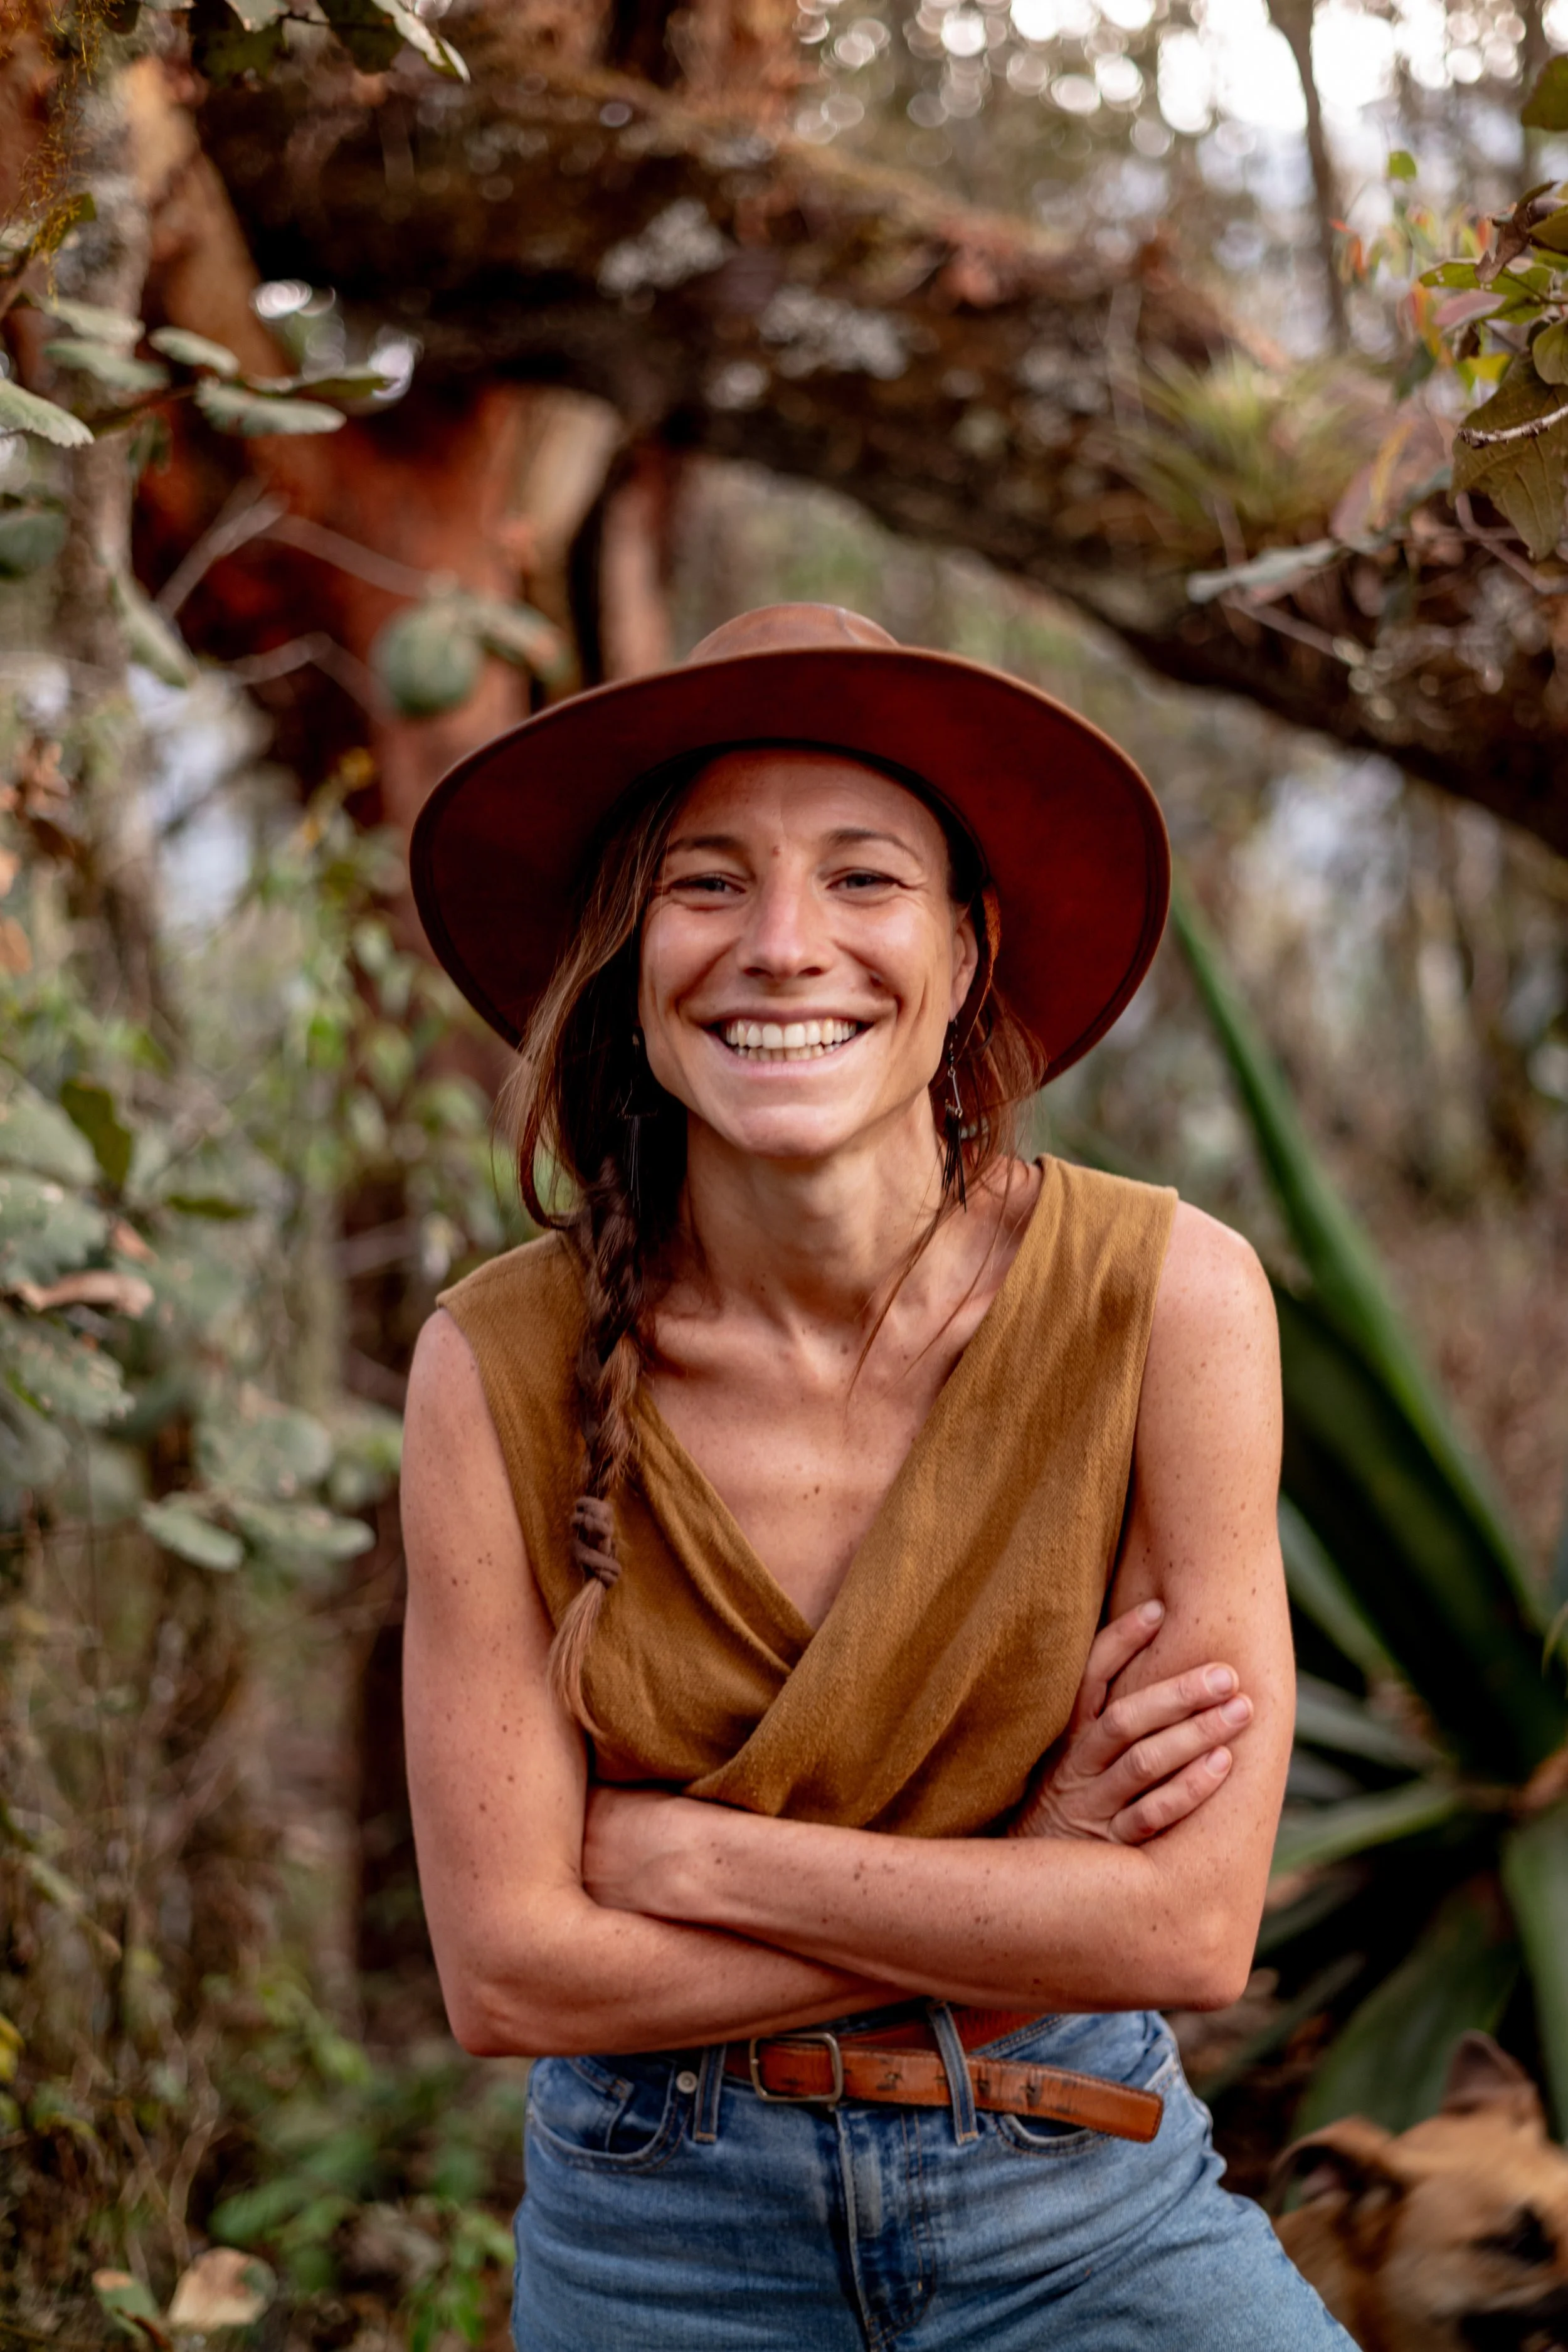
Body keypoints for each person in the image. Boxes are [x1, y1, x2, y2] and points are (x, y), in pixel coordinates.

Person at [400, 603, 1352, 2350]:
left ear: (966, 949)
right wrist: (1035, 1876)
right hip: (660, 2226)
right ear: (626, 955)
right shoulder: (496, 1363)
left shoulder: (1167, 1301)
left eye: (862, 878)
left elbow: (1189, 1927)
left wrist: (685, 1858)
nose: (783, 946)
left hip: (1083, 2186)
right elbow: (513, 1971)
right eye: (705, 883)